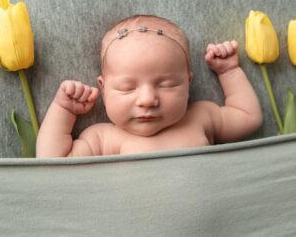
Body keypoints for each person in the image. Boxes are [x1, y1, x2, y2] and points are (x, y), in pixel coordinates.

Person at [36, 15, 263, 157]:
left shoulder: (201, 117)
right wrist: (64, 110)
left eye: (167, 85)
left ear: (188, 83)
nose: (147, 100)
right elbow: (52, 163)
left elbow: (248, 117)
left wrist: (229, 71)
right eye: (127, 87)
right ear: (103, 89)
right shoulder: (104, 138)